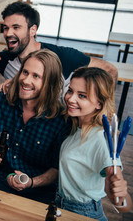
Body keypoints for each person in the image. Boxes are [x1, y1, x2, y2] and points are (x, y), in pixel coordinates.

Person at [0, 49, 71, 204]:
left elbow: (57, 169)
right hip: (0, 177)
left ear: (49, 83)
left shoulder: (61, 120)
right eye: (25, 72)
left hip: (40, 188)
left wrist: (31, 182)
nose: (26, 80)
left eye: (36, 76)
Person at [0, 1, 117, 94]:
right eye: (6, 28)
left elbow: (110, 70)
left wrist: (100, 110)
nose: (8, 33)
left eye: (16, 27)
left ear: (32, 30)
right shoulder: (5, 59)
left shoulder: (62, 56)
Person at [56, 67, 132, 220]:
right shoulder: (76, 125)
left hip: (83, 213)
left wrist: (119, 195)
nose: (71, 99)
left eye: (82, 96)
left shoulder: (101, 139)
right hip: (61, 205)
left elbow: (124, 207)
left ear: (99, 103)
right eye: (70, 91)